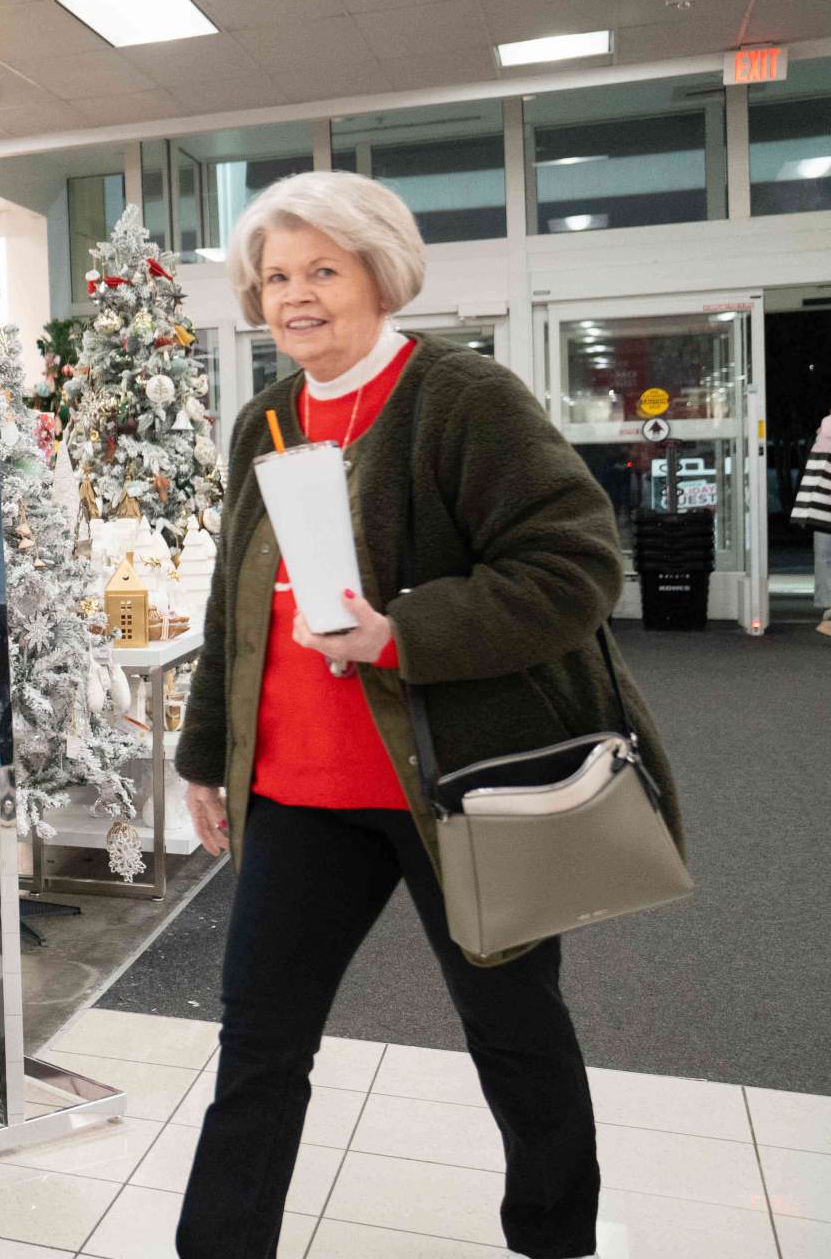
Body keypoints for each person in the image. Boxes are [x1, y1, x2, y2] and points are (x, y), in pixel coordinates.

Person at [172, 171, 682, 1259]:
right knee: (258, 1041)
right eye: (274, 277)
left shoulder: (460, 398)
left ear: (378, 274)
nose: (295, 296)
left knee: (510, 1030)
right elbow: (234, 603)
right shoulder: (262, 421)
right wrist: (205, 755)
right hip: (298, 792)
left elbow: (576, 564)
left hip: (455, 789)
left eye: (321, 270)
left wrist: (401, 632)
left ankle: (555, 1238)